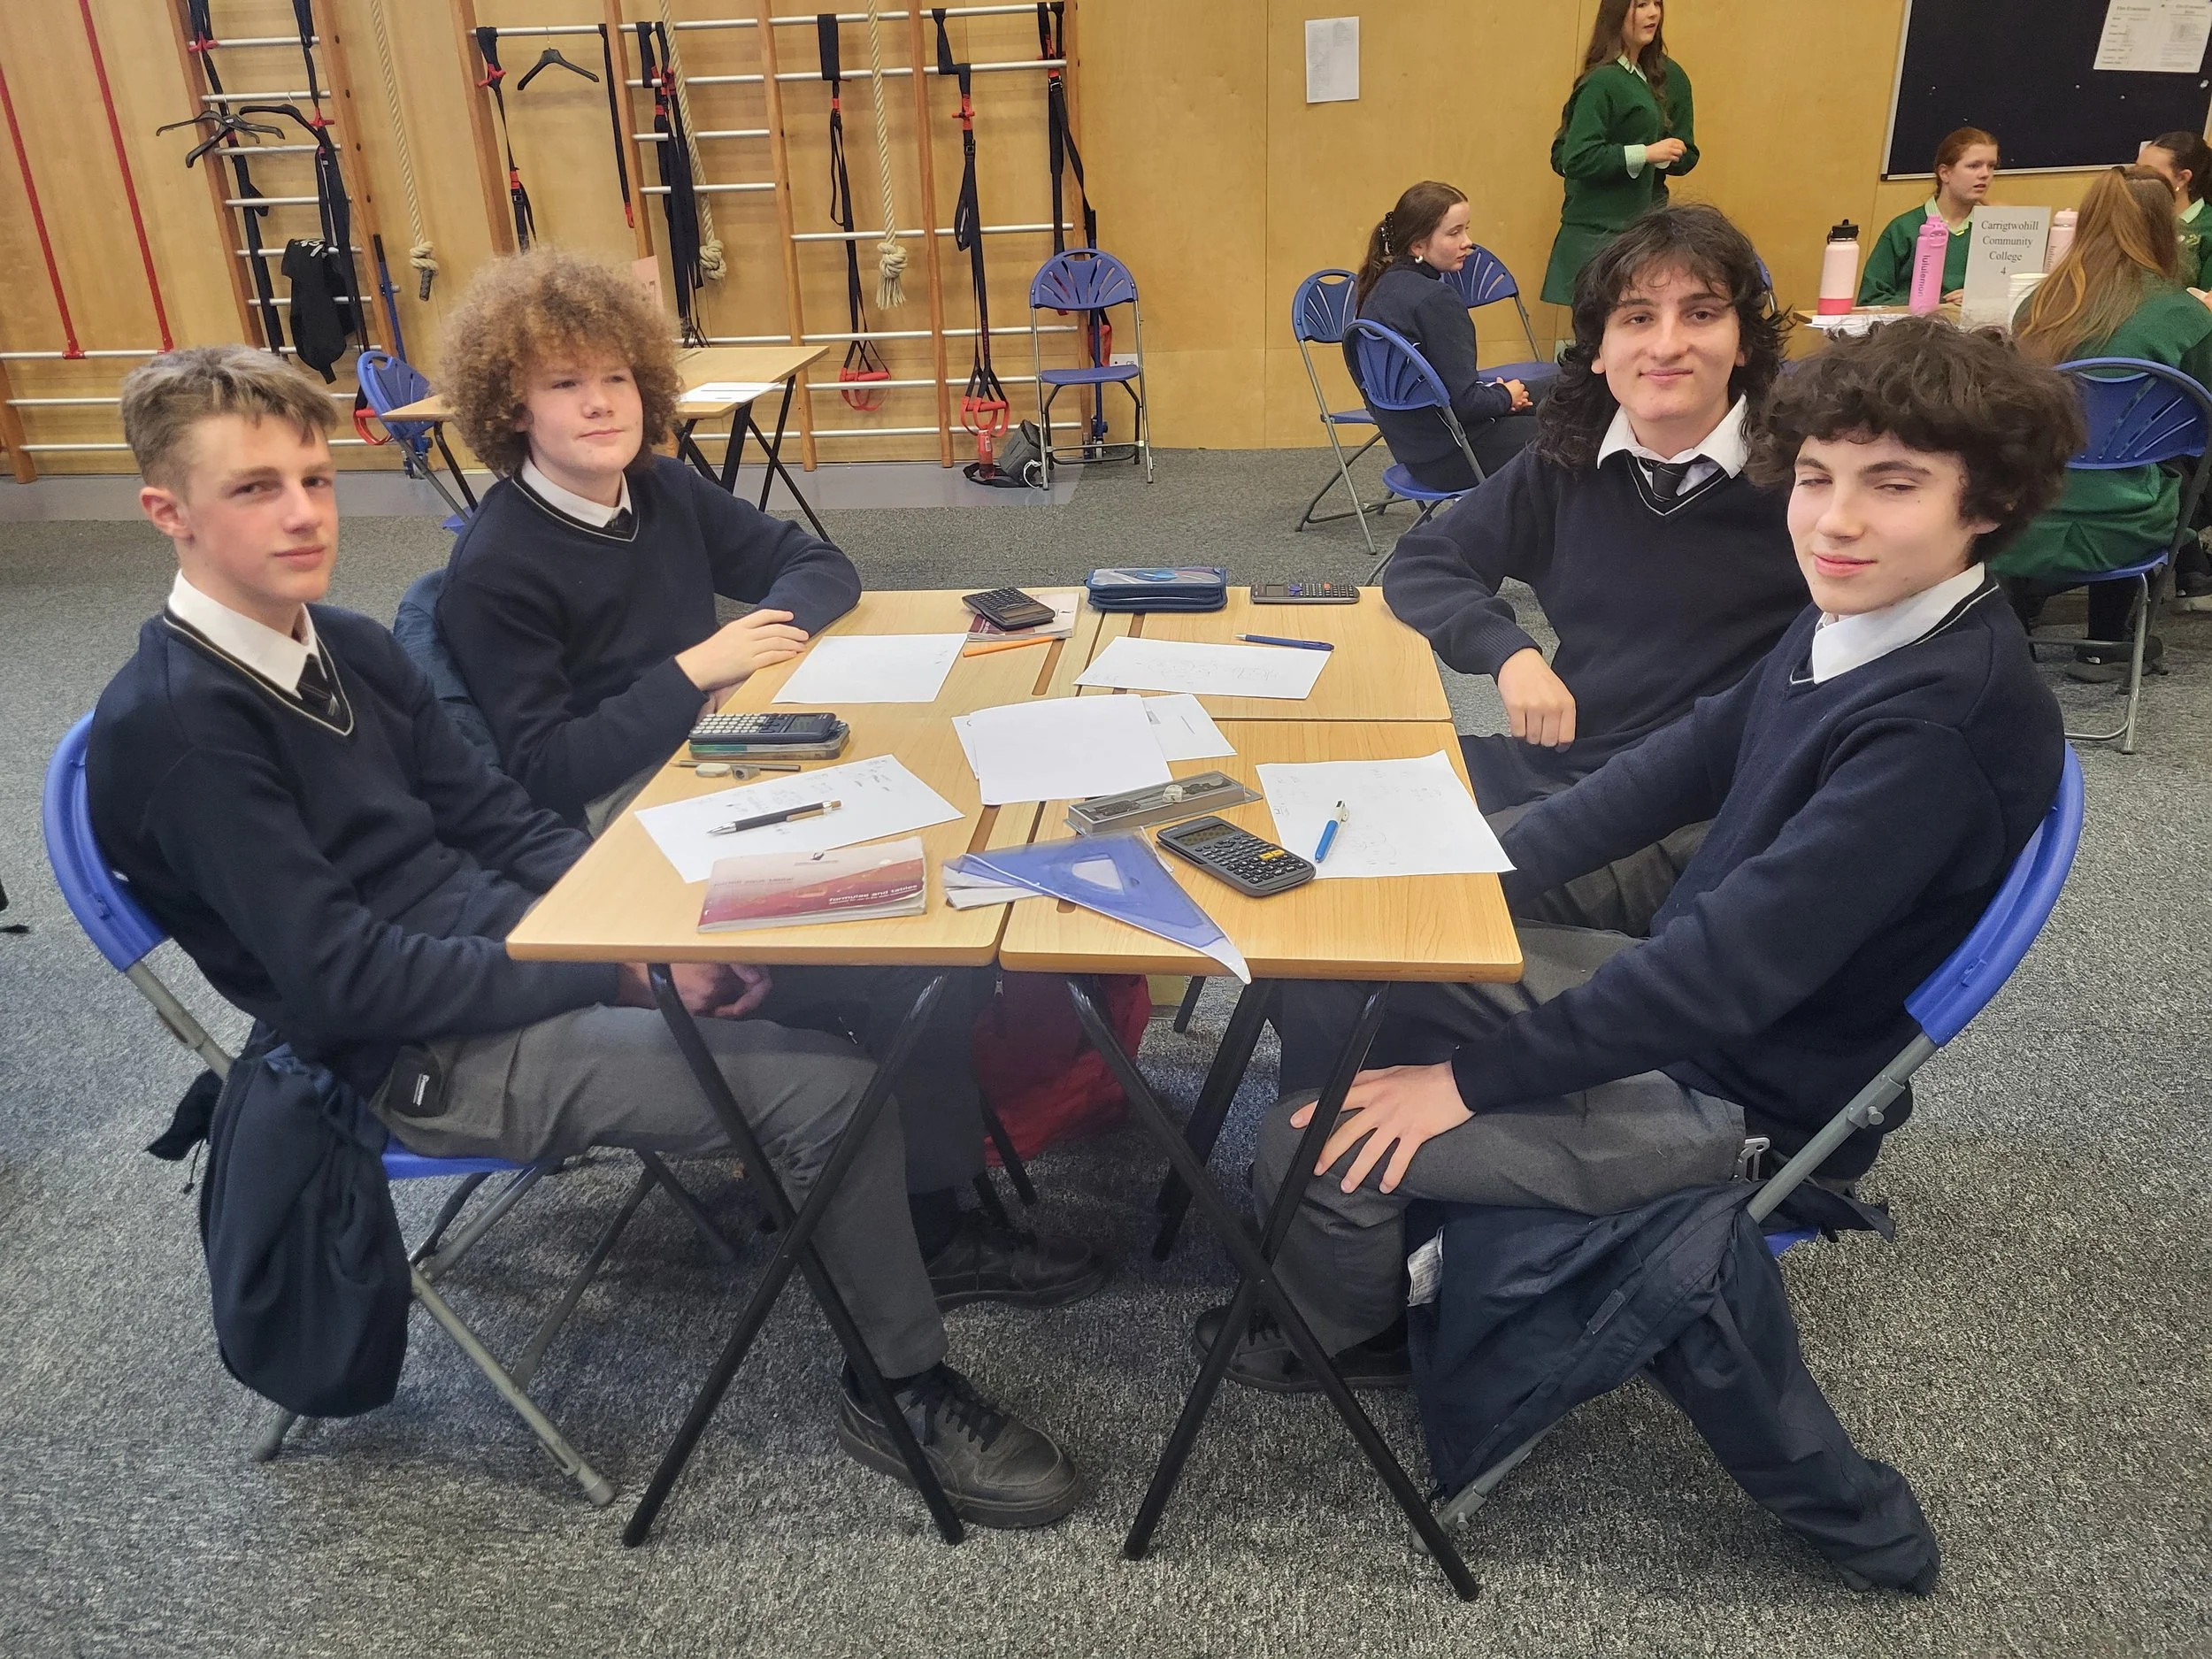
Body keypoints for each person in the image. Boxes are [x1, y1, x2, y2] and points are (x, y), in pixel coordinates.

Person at [86, 344, 1084, 1526]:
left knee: (883, 943)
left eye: (315, 478)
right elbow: (348, 979)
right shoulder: (181, 729)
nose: (303, 513)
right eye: (255, 488)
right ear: (168, 512)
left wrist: (648, 930)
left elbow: (498, 815)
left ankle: (929, 1225)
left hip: (515, 952)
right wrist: (620, 966)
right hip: (410, 1054)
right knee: (829, 1094)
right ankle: (897, 1384)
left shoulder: (340, 642)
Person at [1202, 315, 2078, 1393]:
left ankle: (1356, 1337)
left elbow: (1722, 974)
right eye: (1815, 478)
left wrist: (1464, 1084)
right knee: (1358, 955)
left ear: (1985, 505)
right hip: (1696, 1007)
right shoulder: (1860, 618)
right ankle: (1405, 1213)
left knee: (1308, 1144)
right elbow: (1678, 763)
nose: (1836, 521)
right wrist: (1473, 871)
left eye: (1893, 486)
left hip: (1743, 1095)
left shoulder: (1935, 728)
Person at [433, 249, 1103, 1312]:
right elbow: (542, 769)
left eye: (614, 377)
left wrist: (738, 666)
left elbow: (820, 565)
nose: (599, 403)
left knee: (942, 817)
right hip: (620, 832)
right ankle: (932, 1231)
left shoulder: (658, 489)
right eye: (563, 384)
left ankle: (904, 1165)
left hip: (710, 763)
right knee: (911, 937)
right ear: (511, 408)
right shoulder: (498, 564)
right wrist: (692, 674)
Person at [1383, 204, 1808, 933]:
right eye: (1637, 318)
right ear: (1601, 349)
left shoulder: (1806, 484)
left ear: (1742, 342)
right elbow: (1425, 559)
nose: (1667, 344)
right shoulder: (1568, 462)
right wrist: (1509, 652)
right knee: (1346, 802)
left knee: (1398, 903)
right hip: (1564, 759)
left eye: (1701, 313)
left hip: (1686, 809)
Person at [1998, 165, 2212, 679]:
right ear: (2165, 228)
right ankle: (2107, 640)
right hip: (2130, 516)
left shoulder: (2035, 306)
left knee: (2086, 458)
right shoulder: (2184, 315)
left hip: (2024, 509)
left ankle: (2014, 622)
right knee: (2162, 465)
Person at [1347, 180, 1541, 492]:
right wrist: (1506, 397)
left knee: (1558, 391)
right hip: (1459, 456)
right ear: (1418, 246)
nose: (1468, 242)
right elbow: (1466, 404)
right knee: (1576, 424)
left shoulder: (1379, 288)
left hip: (1416, 452)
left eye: (1466, 230)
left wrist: (1503, 395)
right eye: (1454, 233)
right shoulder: (1436, 300)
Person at [1541, 0, 1697, 307]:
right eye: (1641, 5)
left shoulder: (1666, 77)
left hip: (1642, 229)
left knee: (1637, 320)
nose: (1653, 13)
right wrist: (1644, 154)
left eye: (1657, 4)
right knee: (1602, 325)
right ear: (1617, 14)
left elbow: (1685, 152)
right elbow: (1571, 156)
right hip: (1597, 232)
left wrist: (1660, 156)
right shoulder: (1603, 81)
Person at [1857, 127, 2000, 306]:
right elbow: (1870, 300)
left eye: (1991, 166)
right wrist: (1939, 303)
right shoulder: (1904, 228)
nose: (1985, 174)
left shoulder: (1996, 230)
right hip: (1914, 323)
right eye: (1973, 166)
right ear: (1945, 173)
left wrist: (1980, 299)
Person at [2139, 130, 2212, 289]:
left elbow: (2206, 299)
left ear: (2182, 178)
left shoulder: (2208, 229)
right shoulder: (2133, 215)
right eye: (2136, 169)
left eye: (2148, 173)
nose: (2135, 180)